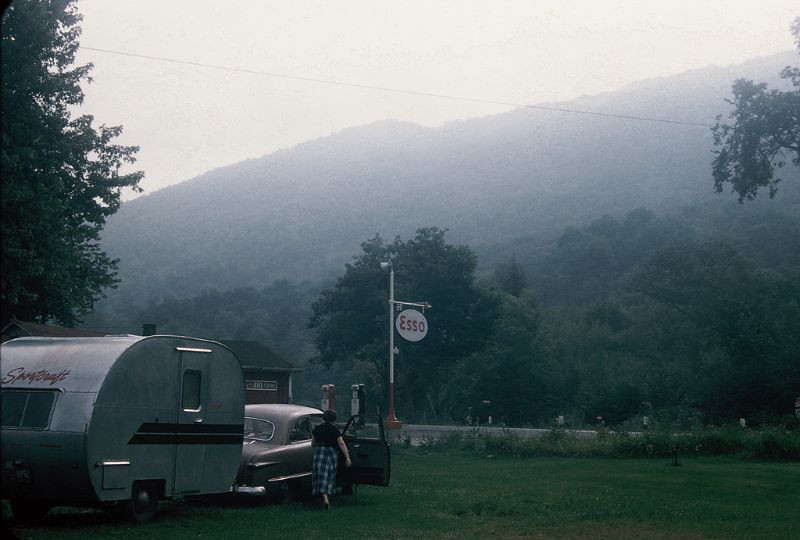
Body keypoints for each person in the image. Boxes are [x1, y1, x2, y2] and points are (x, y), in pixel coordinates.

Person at [311, 409, 351, 509]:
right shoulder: (335, 430)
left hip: (320, 452)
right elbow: (341, 444)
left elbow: (313, 444)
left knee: (320, 474)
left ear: (324, 418)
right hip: (331, 453)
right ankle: (326, 496)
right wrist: (347, 457)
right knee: (329, 474)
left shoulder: (317, 429)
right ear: (334, 419)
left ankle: (323, 496)